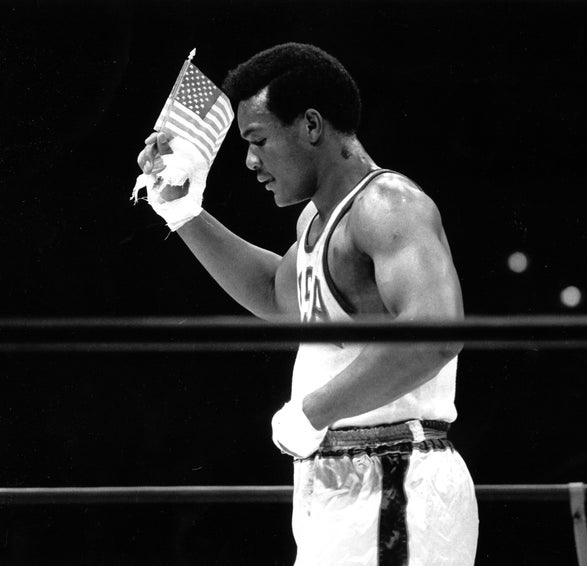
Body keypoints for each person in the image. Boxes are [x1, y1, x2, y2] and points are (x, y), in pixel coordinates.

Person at [136, 42, 478, 566]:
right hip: (344, 483)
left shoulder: (387, 205)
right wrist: (184, 212)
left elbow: (435, 333)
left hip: (396, 478)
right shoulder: (318, 222)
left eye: (258, 140)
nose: (251, 161)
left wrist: (315, 410)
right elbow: (278, 293)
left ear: (311, 126)